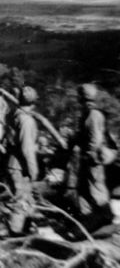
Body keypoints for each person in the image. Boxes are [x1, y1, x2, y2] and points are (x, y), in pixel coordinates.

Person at [69, 84, 113, 222]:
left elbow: (96, 139)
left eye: (80, 97)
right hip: (86, 159)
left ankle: (106, 217)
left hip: (93, 160)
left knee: (97, 190)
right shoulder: (86, 115)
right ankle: (88, 219)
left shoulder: (94, 115)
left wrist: (90, 154)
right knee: (86, 190)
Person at [6, 86, 40, 235]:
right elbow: (27, 149)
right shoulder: (27, 121)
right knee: (21, 200)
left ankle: (25, 231)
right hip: (20, 165)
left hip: (15, 163)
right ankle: (13, 235)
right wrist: (34, 170)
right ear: (33, 103)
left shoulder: (16, 115)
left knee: (26, 199)